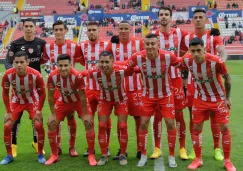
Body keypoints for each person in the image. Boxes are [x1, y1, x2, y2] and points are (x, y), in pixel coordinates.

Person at [125, 33, 181, 167]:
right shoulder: (137, 57)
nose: (150, 46)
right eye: (147, 44)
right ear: (144, 45)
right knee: (143, 123)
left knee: (170, 123)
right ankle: (143, 155)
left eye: (153, 44)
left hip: (165, 95)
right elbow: (127, 68)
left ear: (158, 45)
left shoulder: (168, 56)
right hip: (147, 96)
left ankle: (172, 155)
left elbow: (182, 64)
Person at [181, 37, 236, 171]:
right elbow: (181, 70)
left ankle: (227, 161)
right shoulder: (187, 60)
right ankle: (198, 159)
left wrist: (227, 98)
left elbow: (227, 80)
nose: (196, 54)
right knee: (196, 127)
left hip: (218, 98)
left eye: (199, 51)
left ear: (204, 50)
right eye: (193, 51)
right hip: (200, 99)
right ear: (189, 51)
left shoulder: (216, 61)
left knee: (224, 127)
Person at [181, 8, 228, 161]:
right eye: (196, 17)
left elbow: (222, 52)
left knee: (215, 116)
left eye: (202, 17)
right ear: (192, 20)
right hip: (193, 84)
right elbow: (183, 58)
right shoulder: (187, 38)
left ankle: (217, 148)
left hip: (212, 82)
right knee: (193, 118)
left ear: (206, 20)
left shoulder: (213, 35)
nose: (199, 19)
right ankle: (195, 150)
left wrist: (220, 65)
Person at [4, 18, 46, 157]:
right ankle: (14, 146)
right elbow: (8, 61)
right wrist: (15, 73)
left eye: (31, 26)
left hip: (34, 86)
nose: (28, 28)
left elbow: (46, 59)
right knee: (15, 120)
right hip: (18, 88)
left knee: (37, 120)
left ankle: (36, 143)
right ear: (22, 28)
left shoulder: (41, 43)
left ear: (35, 28)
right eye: (26, 26)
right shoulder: (16, 44)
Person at [84, 51, 135, 166]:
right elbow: (83, 74)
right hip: (104, 100)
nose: (104, 65)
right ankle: (103, 154)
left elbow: (133, 69)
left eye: (107, 62)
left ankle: (122, 154)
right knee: (102, 125)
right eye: (101, 62)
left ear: (112, 61)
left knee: (122, 126)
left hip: (120, 99)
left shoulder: (121, 70)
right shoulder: (94, 72)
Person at [151, 6, 188, 160]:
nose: (164, 17)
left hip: (176, 80)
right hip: (159, 81)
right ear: (158, 18)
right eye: (161, 15)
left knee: (179, 114)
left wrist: (181, 62)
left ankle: (182, 148)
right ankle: (157, 147)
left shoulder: (180, 33)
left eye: (166, 14)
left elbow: (192, 48)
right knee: (158, 114)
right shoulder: (152, 35)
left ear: (171, 17)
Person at [45, 54, 95, 165]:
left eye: (66, 65)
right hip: (63, 101)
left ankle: (91, 155)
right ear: (57, 66)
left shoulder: (77, 76)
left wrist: (86, 114)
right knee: (52, 123)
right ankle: (54, 155)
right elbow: (50, 96)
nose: (63, 68)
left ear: (70, 65)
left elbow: (82, 97)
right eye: (60, 65)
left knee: (89, 123)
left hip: (78, 102)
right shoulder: (52, 76)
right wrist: (53, 114)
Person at [41, 20, 82, 156]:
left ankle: (72, 147)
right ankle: (57, 146)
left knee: (71, 116)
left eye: (60, 29)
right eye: (56, 30)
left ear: (65, 31)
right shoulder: (47, 47)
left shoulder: (74, 46)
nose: (58, 32)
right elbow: (41, 60)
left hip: (70, 87)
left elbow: (83, 61)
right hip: (56, 87)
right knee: (56, 118)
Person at [106, 20, 144, 160]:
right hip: (119, 90)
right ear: (117, 30)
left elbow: (144, 63)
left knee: (139, 120)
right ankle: (122, 150)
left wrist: (126, 67)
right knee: (121, 122)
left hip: (136, 89)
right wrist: (126, 66)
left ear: (130, 30)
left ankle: (141, 149)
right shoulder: (113, 44)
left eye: (125, 29)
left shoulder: (139, 43)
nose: (123, 31)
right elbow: (107, 63)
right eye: (120, 28)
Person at [0, 51, 46, 165]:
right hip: (16, 102)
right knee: (7, 126)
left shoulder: (36, 74)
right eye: (16, 62)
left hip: (32, 102)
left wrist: (39, 110)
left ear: (27, 62)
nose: (19, 65)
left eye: (21, 62)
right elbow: (5, 94)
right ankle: (9, 155)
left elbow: (43, 94)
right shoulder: (8, 74)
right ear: (13, 63)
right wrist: (8, 112)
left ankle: (40, 153)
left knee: (38, 125)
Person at [79, 21, 111, 157]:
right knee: (88, 119)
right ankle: (89, 147)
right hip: (88, 89)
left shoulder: (106, 45)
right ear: (86, 32)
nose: (91, 32)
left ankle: (106, 147)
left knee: (105, 121)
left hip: (103, 89)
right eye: (89, 30)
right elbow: (82, 62)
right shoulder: (82, 46)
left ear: (99, 31)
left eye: (94, 30)